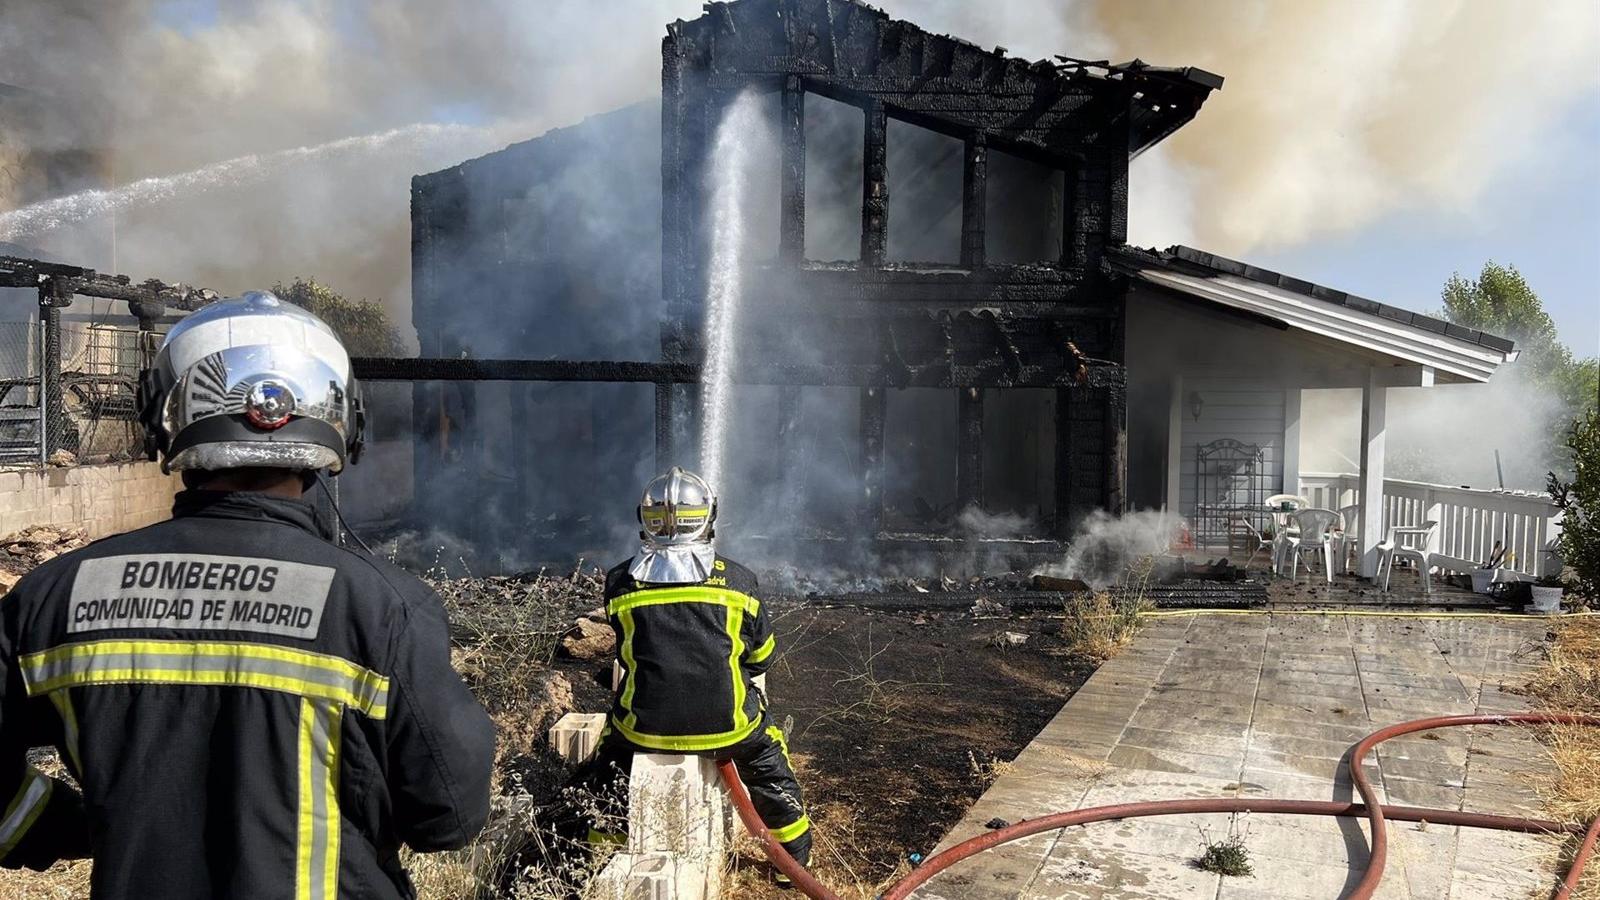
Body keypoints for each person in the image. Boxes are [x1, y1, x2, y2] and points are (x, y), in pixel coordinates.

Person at [0, 291, 496, 898]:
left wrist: (60, 826)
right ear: (344, 421)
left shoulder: (51, 598)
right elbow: (449, 815)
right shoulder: (384, 608)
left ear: (163, 414)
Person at [575, 467, 811, 878]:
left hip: (643, 729)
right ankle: (793, 862)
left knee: (609, 762)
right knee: (770, 763)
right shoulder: (741, 581)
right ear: (709, 516)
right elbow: (762, 658)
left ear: (644, 520)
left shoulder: (619, 582)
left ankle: (602, 857)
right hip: (730, 728)